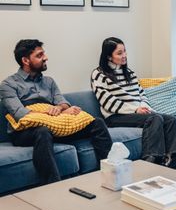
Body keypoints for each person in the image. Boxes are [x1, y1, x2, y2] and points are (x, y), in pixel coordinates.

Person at [0, 39, 113, 185]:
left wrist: (59, 109)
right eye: (40, 55)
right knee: (43, 131)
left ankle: (111, 173)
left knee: (97, 122)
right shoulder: (8, 84)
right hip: (25, 132)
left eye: (44, 53)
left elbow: (64, 103)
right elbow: (20, 113)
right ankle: (53, 185)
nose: (45, 57)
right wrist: (51, 112)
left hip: (56, 126)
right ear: (25, 60)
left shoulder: (49, 82)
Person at [91, 37, 176, 167]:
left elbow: (141, 94)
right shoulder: (99, 74)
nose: (124, 56)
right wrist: (135, 109)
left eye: (125, 51)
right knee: (155, 118)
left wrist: (143, 107)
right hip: (115, 117)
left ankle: (171, 161)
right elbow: (107, 101)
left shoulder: (130, 73)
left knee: (171, 120)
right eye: (119, 53)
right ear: (109, 56)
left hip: (137, 113)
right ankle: (149, 161)